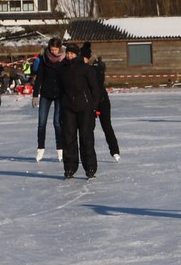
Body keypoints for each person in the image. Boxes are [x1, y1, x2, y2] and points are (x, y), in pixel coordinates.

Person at [55, 41, 101, 180]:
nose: (69, 56)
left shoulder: (86, 69)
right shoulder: (62, 69)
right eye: (68, 53)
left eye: (72, 53)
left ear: (77, 54)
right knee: (68, 138)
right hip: (68, 108)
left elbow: (95, 89)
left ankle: (90, 168)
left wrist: (94, 106)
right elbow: (60, 88)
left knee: (86, 138)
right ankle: (69, 168)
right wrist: (62, 103)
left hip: (85, 108)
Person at [31, 39, 67, 161]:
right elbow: (39, 77)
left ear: (59, 49)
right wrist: (35, 95)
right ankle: (40, 148)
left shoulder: (64, 60)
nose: (53, 52)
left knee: (57, 122)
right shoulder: (44, 59)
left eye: (55, 50)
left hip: (60, 95)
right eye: (51, 49)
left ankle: (60, 148)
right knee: (42, 122)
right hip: (46, 94)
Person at [91, 53, 122, 164]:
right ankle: (89, 153)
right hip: (91, 103)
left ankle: (115, 151)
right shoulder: (87, 69)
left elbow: (98, 84)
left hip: (102, 102)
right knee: (89, 129)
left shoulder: (97, 68)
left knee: (107, 126)